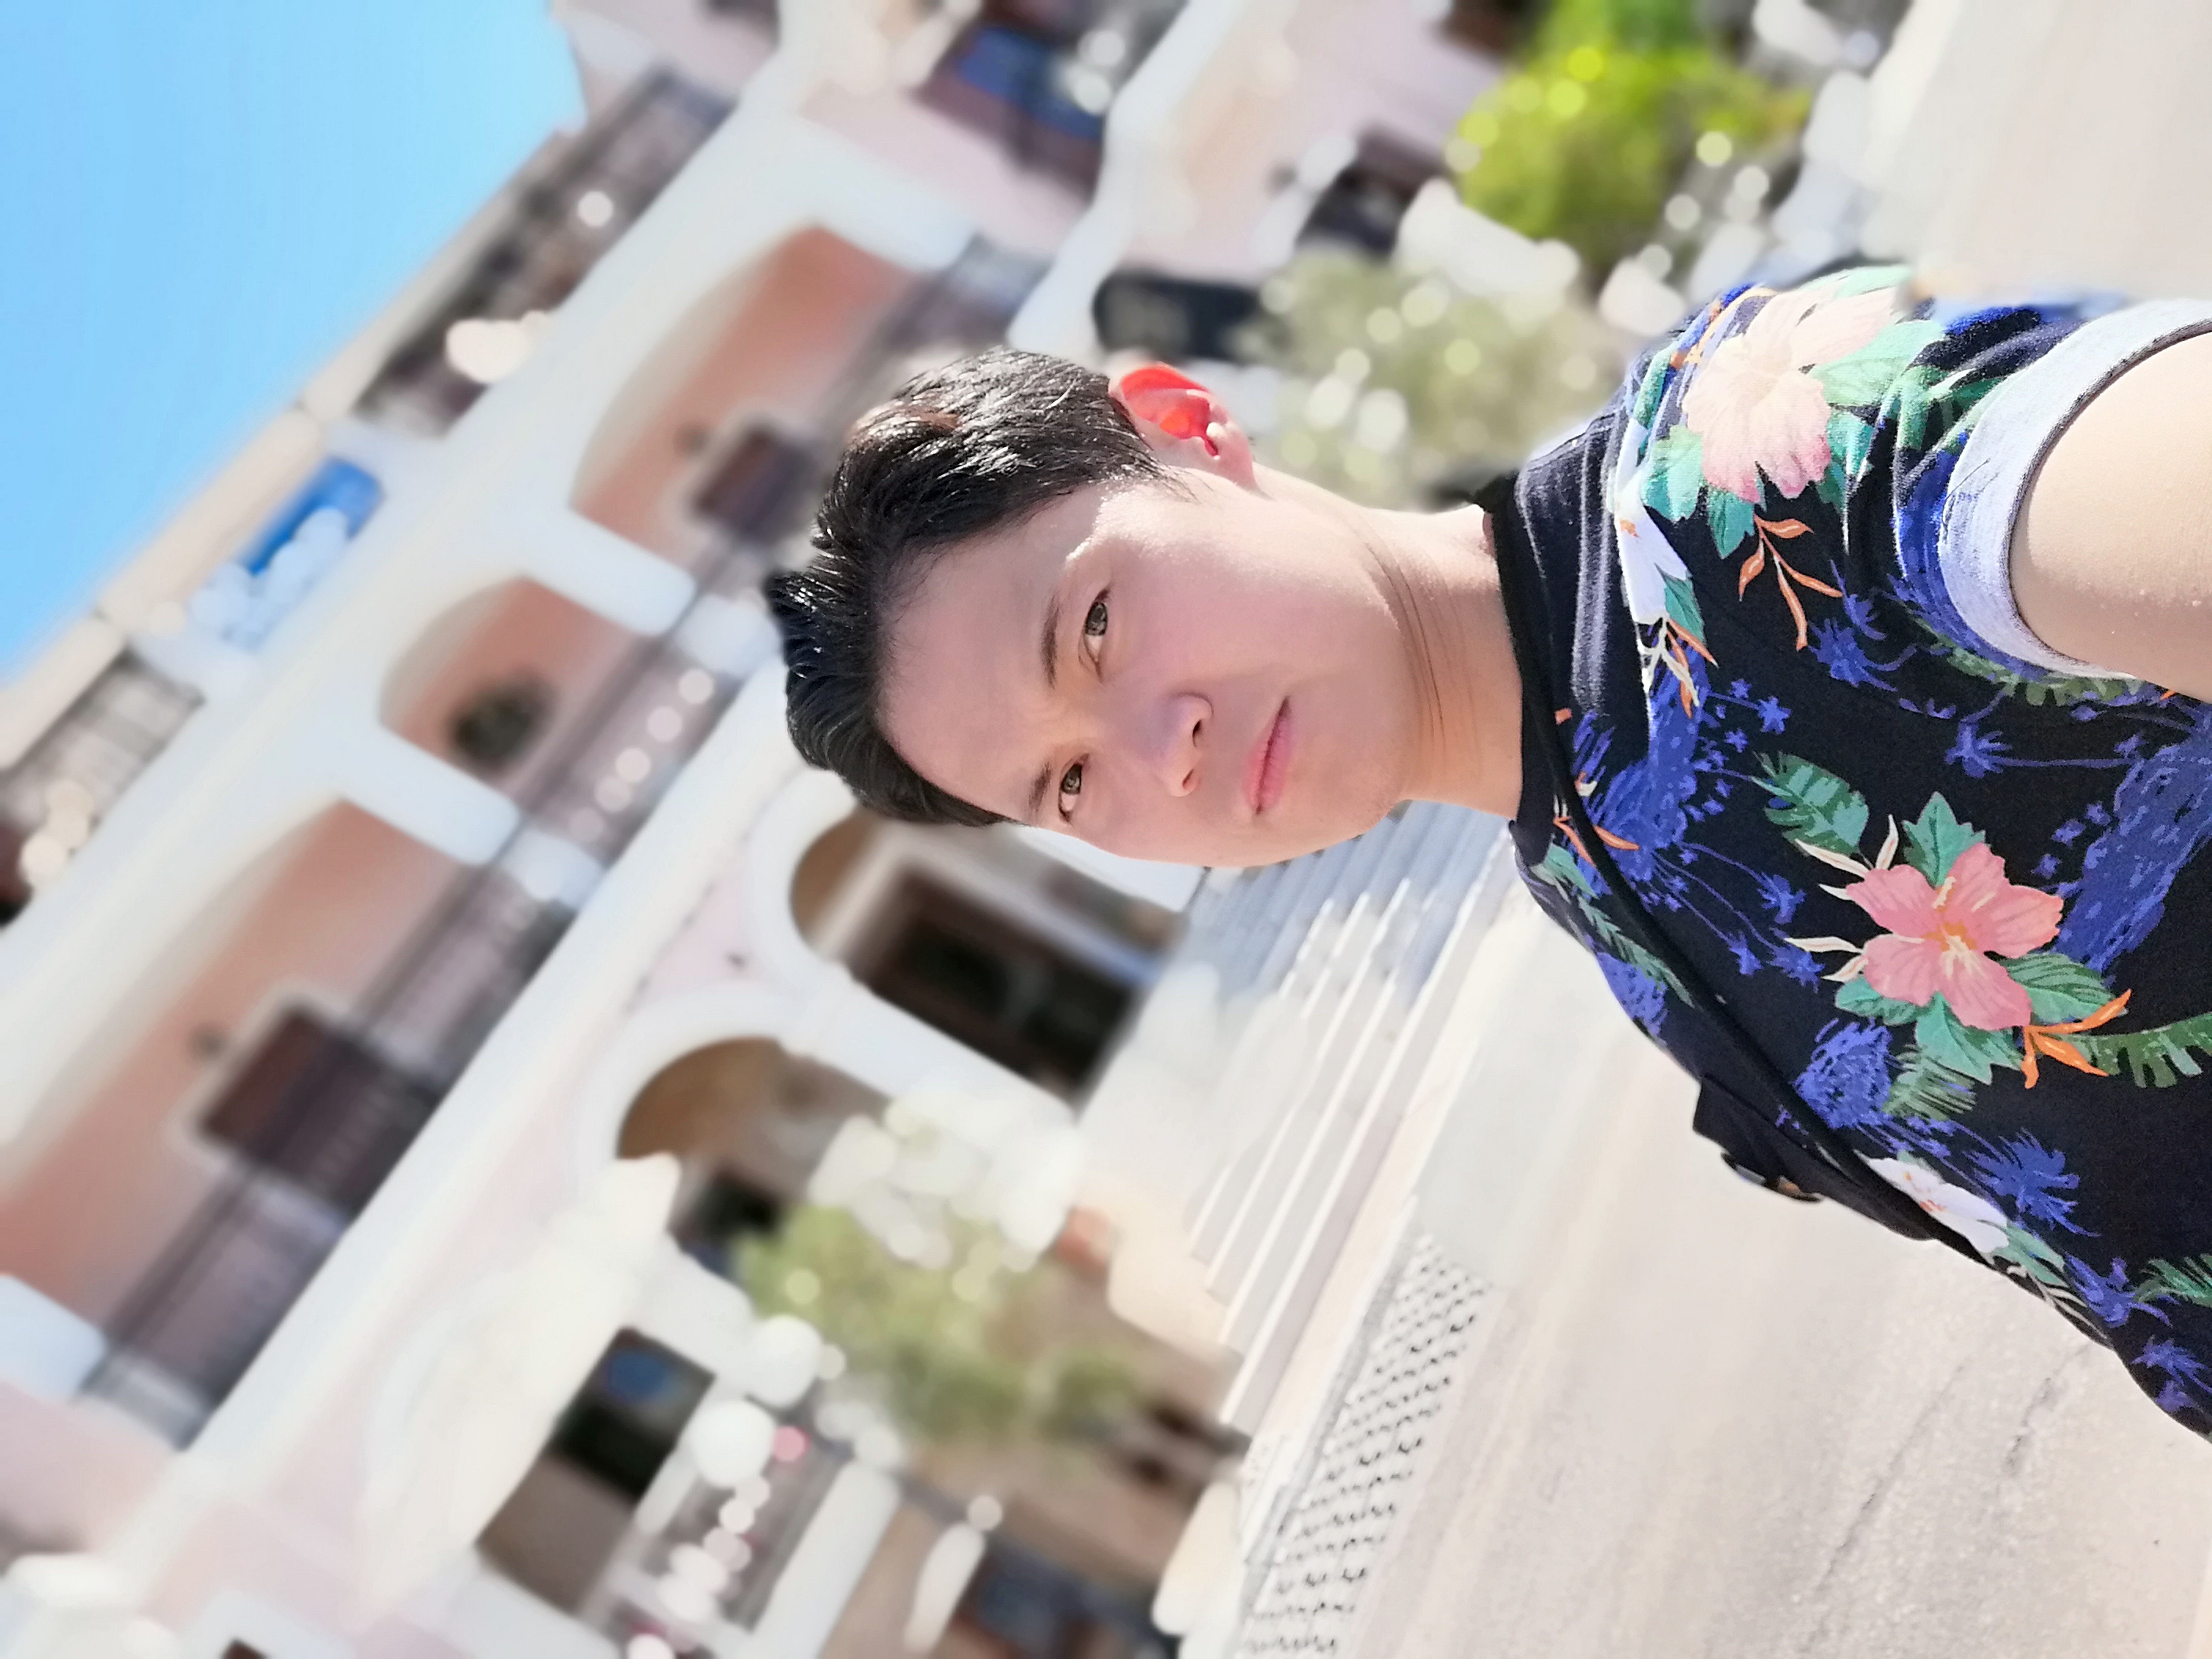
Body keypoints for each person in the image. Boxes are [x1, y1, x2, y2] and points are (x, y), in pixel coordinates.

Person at [768, 267, 2212, 1434]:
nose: (1164, 752)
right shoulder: (1598, 889)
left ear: (1183, 425)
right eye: (1071, 783)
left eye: (1096, 625)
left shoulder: (1758, 465)